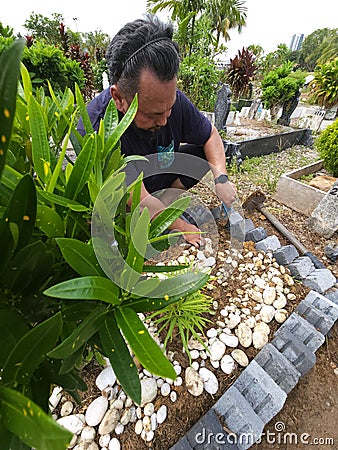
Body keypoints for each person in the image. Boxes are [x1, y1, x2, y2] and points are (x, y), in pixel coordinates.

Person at [77, 14, 237, 247]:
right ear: (119, 98)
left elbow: (211, 135)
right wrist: (182, 226)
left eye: (169, 109)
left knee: (202, 156)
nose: (164, 120)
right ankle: (155, 217)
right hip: (125, 198)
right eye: (153, 114)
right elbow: (136, 196)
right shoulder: (96, 128)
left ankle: (166, 201)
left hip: (157, 175)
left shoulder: (173, 103)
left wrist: (221, 177)